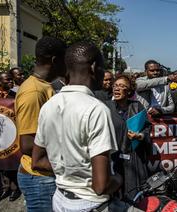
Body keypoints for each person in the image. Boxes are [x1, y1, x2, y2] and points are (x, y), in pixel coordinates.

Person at [32, 42, 121, 212]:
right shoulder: (96, 110)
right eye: (103, 67)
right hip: (92, 204)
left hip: (60, 200)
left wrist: (68, 170)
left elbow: (37, 161)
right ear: (94, 68)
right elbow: (101, 186)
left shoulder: (48, 106)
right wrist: (118, 179)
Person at [15, 36, 66, 211]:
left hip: (45, 175)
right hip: (39, 178)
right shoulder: (33, 92)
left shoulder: (45, 86)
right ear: (55, 60)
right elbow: (28, 145)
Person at [97, 75, 150, 201]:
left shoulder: (137, 107)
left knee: (134, 195)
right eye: (115, 85)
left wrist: (140, 136)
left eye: (122, 86)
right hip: (112, 159)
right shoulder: (105, 107)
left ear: (129, 90)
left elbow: (147, 129)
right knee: (115, 197)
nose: (117, 88)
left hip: (133, 159)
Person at [0, 72, 21, 202]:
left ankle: (15, 189)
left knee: (11, 161)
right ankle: (5, 187)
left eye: (11, 79)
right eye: (7, 80)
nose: (11, 82)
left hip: (12, 135)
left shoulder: (16, 97)